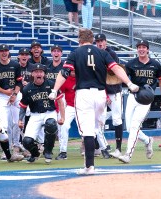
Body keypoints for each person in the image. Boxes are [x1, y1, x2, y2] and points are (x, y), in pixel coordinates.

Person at [48, 28, 139, 175]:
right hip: (101, 95)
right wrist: (129, 83)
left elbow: (64, 72)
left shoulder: (75, 53)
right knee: (96, 128)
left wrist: (54, 90)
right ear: (92, 40)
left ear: (80, 40)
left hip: (83, 94)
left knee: (87, 131)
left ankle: (89, 166)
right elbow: (116, 68)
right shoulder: (102, 53)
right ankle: (101, 151)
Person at [118, 40, 161, 163]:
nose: (141, 49)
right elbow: (123, 78)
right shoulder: (131, 64)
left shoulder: (155, 64)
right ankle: (147, 140)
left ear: (148, 49)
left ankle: (128, 154)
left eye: (143, 47)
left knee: (135, 126)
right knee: (129, 128)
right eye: (139, 47)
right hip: (132, 96)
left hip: (146, 99)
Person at [18, 63, 65, 163]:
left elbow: (60, 101)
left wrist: (62, 117)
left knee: (51, 124)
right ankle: (35, 154)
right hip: (35, 115)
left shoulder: (51, 84)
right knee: (26, 141)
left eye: (41, 72)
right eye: (36, 72)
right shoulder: (27, 89)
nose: (38, 74)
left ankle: (48, 151)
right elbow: (23, 106)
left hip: (49, 112)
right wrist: (20, 120)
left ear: (44, 74)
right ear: (32, 74)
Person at [0, 44, 23, 156]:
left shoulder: (15, 64)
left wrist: (14, 94)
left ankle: (17, 146)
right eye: (1, 51)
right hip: (2, 95)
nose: (4, 53)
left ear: (8, 52)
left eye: (6, 51)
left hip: (15, 94)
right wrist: (6, 92)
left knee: (17, 122)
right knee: (4, 124)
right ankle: (6, 149)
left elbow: (19, 82)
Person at [95, 33, 123, 158]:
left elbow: (113, 72)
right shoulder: (94, 54)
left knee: (117, 119)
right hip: (101, 91)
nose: (100, 43)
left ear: (106, 42)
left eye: (102, 41)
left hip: (114, 90)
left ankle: (118, 148)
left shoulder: (111, 54)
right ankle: (101, 147)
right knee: (100, 120)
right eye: (98, 41)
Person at [55, 70, 76, 160]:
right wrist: (58, 109)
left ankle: (100, 148)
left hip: (84, 107)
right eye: (72, 69)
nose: (74, 71)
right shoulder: (66, 79)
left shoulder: (84, 76)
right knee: (63, 125)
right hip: (71, 106)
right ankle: (63, 151)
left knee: (92, 128)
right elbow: (59, 94)